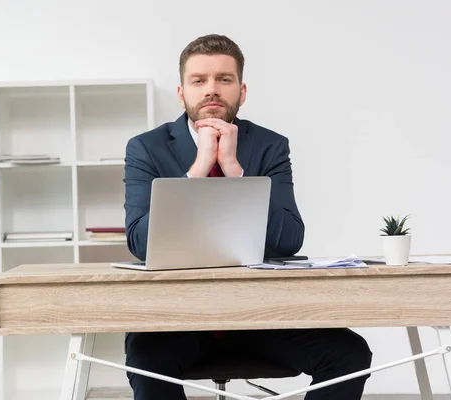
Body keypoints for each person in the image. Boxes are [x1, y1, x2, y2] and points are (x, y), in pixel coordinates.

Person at [122, 34, 372, 400]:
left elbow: (288, 239)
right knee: (144, 358)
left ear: (242, 91)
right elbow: (141, 244)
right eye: (199, 81)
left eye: (224, 79)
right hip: (178, 320)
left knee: (350, 354)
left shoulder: (270, 146)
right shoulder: (146, 148)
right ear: (181, 93)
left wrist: (234, 171)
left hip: (262, 316)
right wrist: (200, 168)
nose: (212, 90)